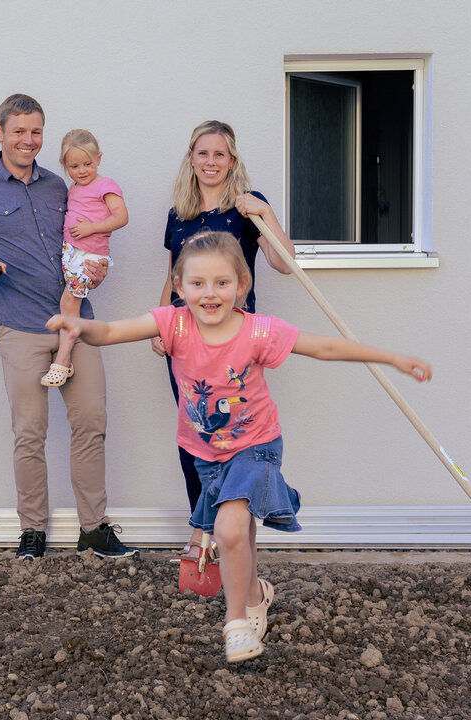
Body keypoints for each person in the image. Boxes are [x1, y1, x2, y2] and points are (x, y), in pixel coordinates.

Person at [47, 231, 431, 662]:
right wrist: (80, 326)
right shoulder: (172, 323)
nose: (209, 294)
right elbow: (112, 330)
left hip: (256, 447)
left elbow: (322, 346)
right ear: (179, 286)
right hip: (206, 454)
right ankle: (254, 595)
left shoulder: (258, 332)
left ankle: (235, 625)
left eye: (221, 283)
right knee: (239, 537)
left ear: (241, 286)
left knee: (228, 529)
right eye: (197, 283)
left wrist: (390, 357)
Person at [0, 94, 137, 561]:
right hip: (20, 327)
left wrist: (98, 266)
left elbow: (89, 235)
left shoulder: (60, 185)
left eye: (36, 131)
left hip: (76, 323)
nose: (29, 140)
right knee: (30, 432)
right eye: (19, 131)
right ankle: (33, 532)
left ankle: (94, 529)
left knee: (91, 425)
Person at [151, 120, 297, 562]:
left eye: (219, 154)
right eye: (202, 153)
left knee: (234, 440)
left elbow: (284, 263)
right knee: (195, 438)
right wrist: (162, 325)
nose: (210, 161)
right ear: (191, 159)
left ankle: (232, 532)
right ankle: (202, 536)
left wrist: (265, 213)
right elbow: (174, 275)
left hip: (234, 343)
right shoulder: (180, 212)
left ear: (232, 160)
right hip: (186, 341)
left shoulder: (246, 208)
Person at [41, 129, 128, 387]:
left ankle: (63, 360)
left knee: (70, 301)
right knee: (68, 301)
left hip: (89, 255)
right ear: (65, 166)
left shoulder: (106, 185)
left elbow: (121, 217)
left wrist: (90, 228)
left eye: (88, 164)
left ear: (99, 158)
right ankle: (64, 356)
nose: (82, 170)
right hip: (72, 252)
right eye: (74, 166)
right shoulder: (74, 188)